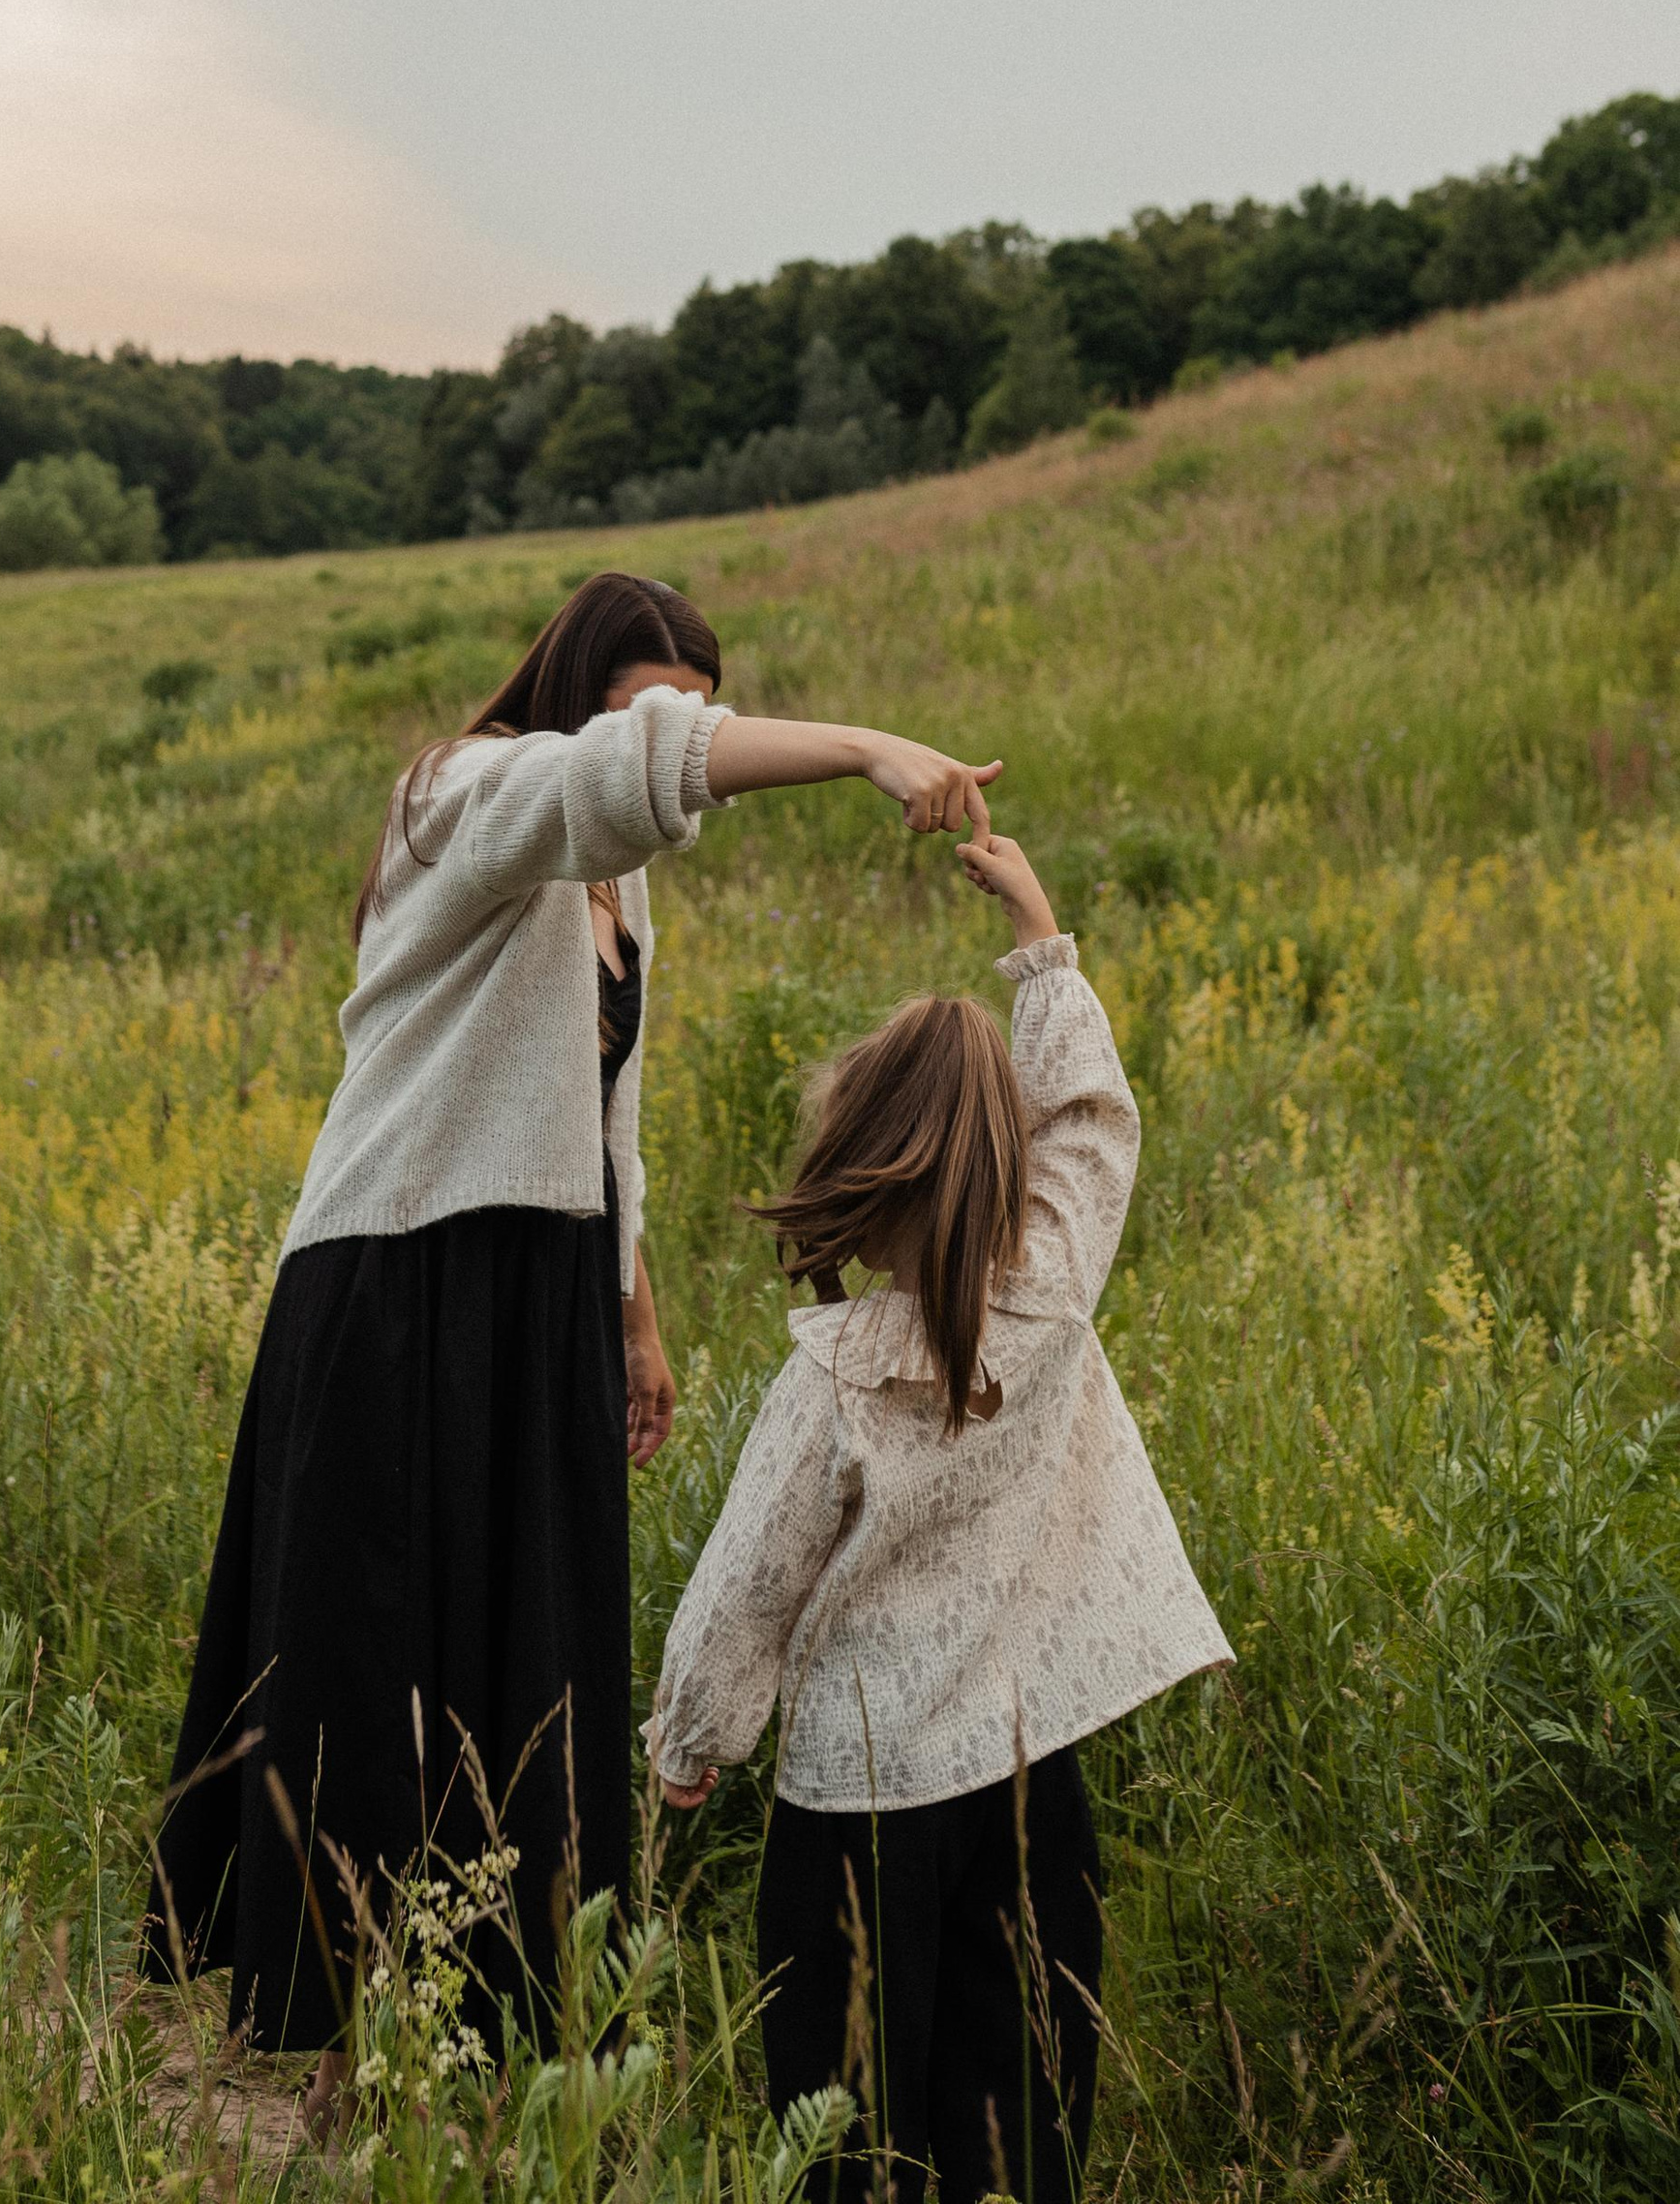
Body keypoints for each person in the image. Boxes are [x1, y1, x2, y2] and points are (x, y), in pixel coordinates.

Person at [146, 566, 1000, 2116]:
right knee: (377, 1661)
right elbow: (630, 779)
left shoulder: (618, 888)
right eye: (636, 705)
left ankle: (484, 2031)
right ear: (568, 697)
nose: (668, 733)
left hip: (540, 1285)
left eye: (691, 700)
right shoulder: (465, 793)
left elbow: (610, 1120)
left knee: (521, 1660)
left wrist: (637, 1318)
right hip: (398, 1271)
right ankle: (337, 2053)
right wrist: (870, 747)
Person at [647, 807, 1231, 2204]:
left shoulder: (838, 1379)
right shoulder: (1055, 1287)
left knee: (842, 2124)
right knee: (1022, 2101)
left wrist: (690, 1740)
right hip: (1039, 1787)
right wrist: (1042, 947)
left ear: (860, 1166)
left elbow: (749, 1583)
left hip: (859, 1808)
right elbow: (1094, 1125)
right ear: (1007, 1178)